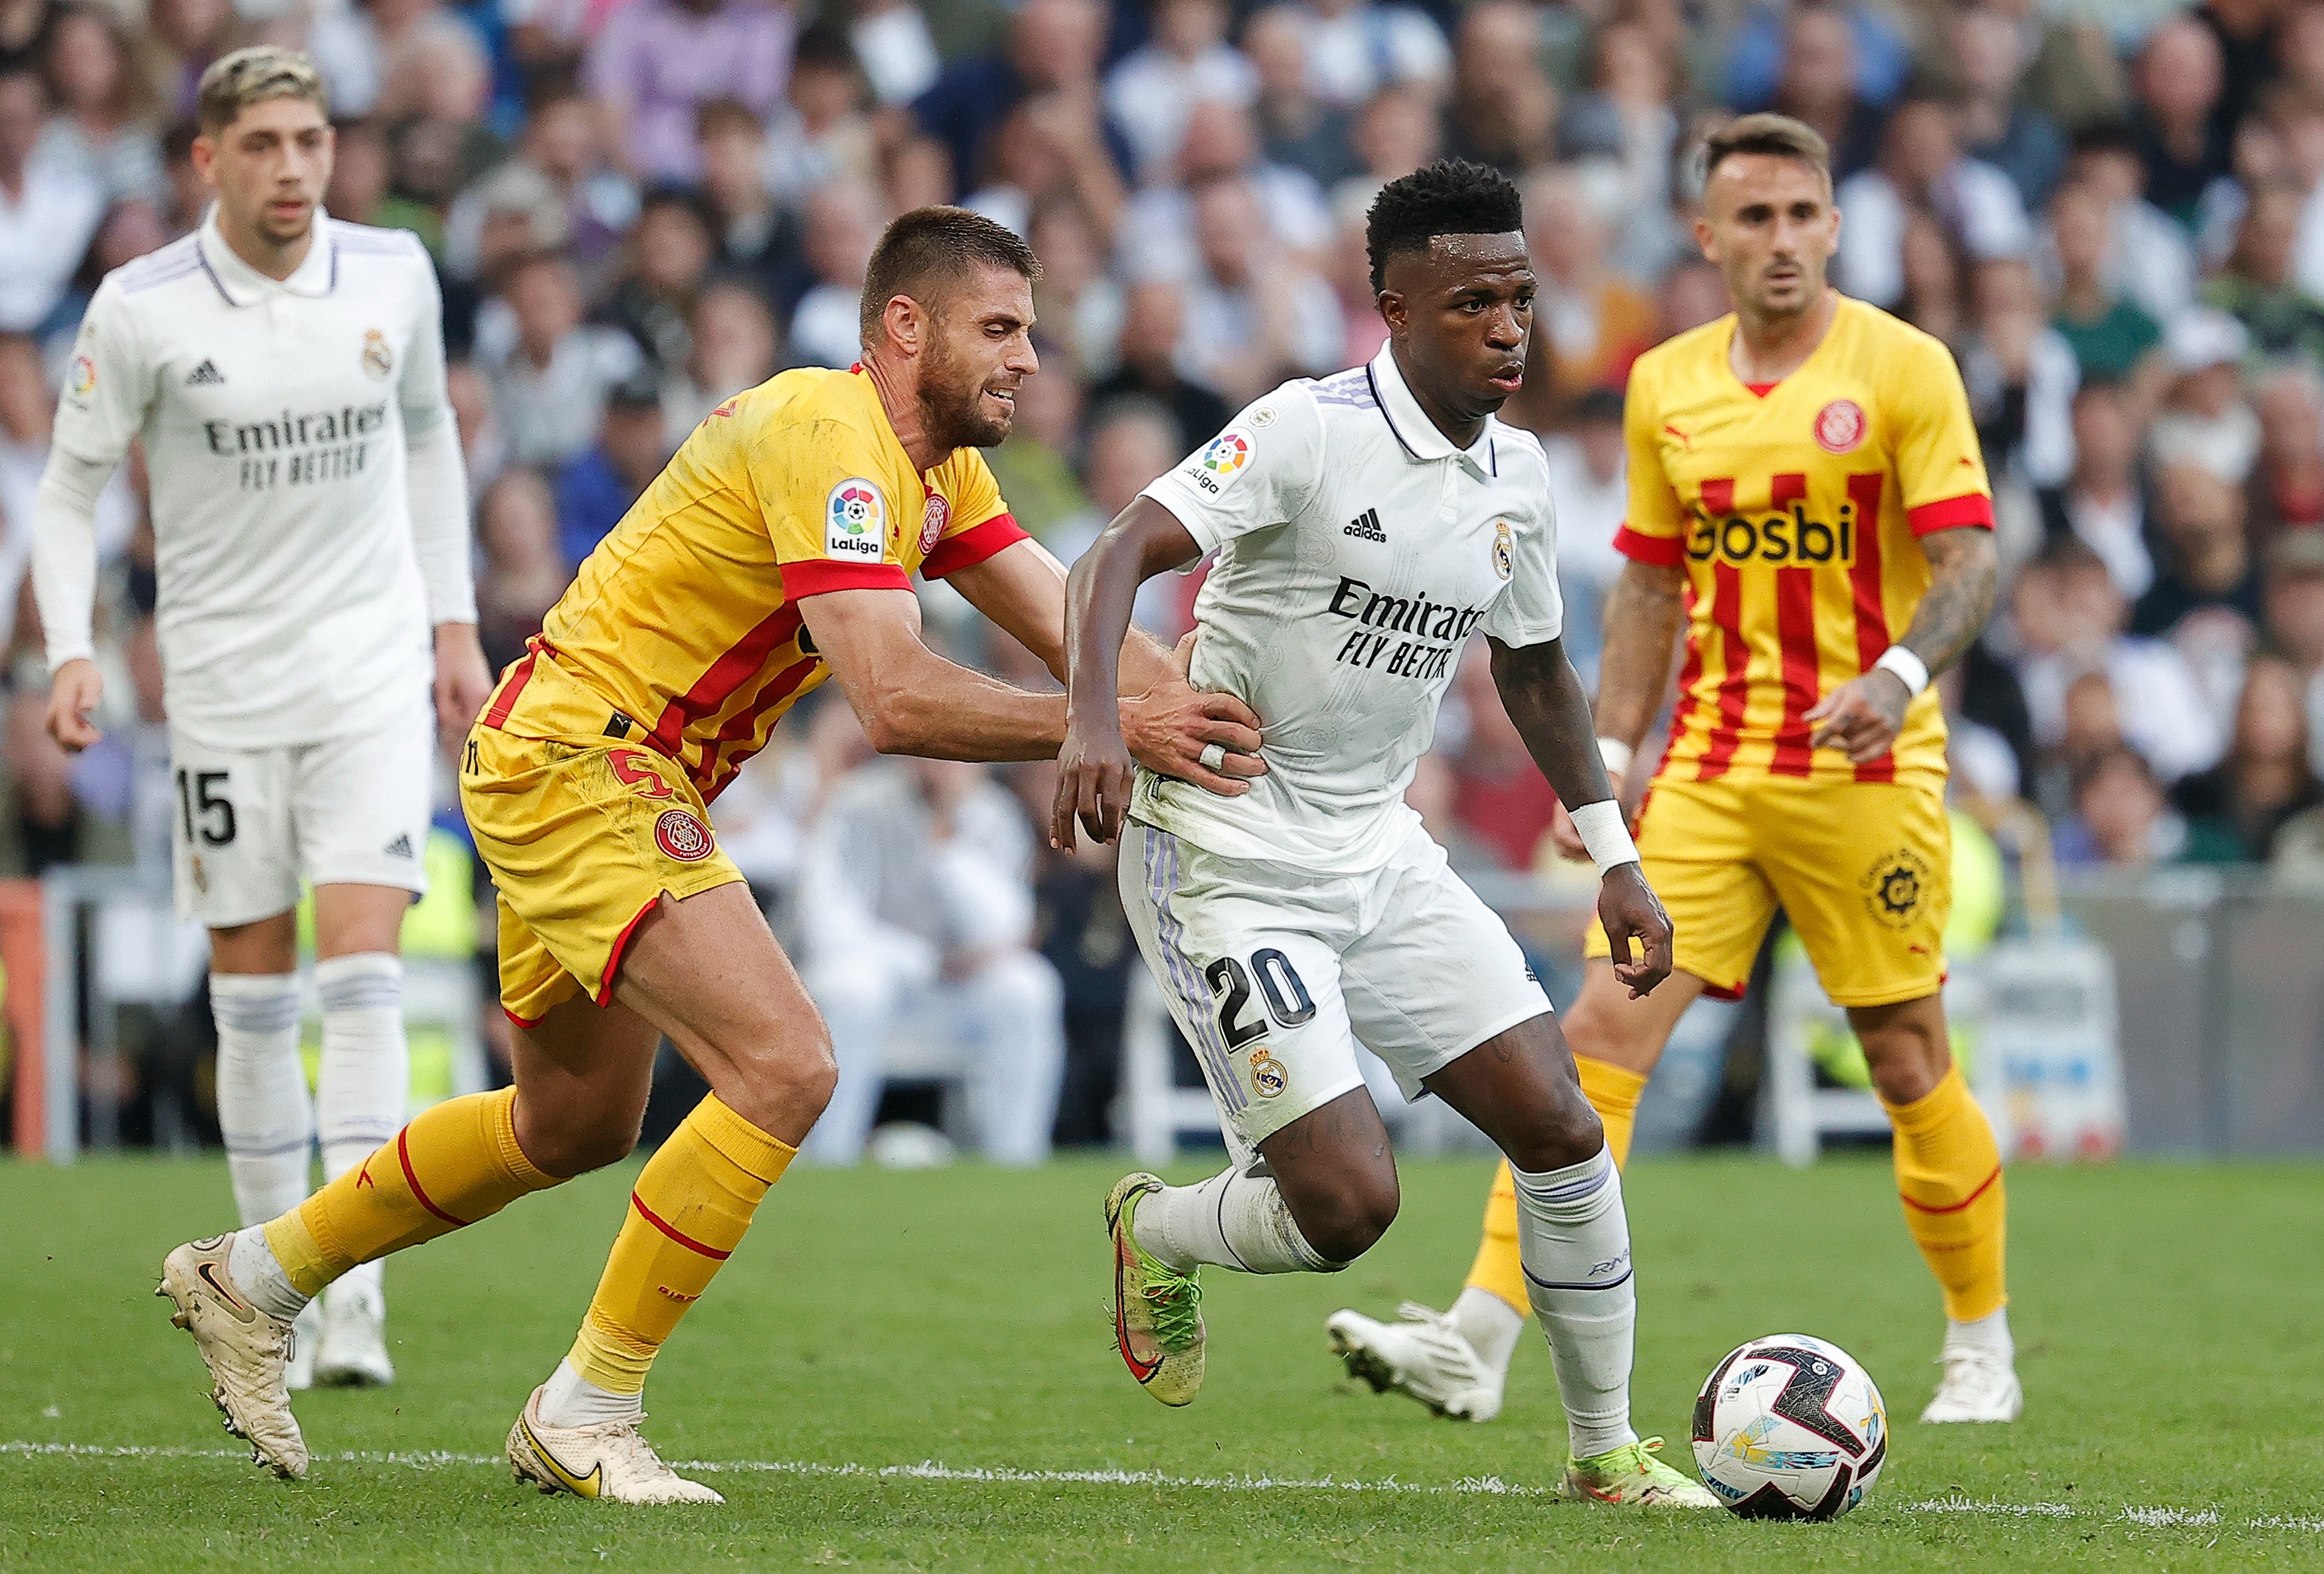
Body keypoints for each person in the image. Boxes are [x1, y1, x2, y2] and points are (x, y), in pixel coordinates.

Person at [155, 203, 1262, 1502]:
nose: (1029, 357)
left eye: (1031, 330)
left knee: (569, 1122)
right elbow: (895, 698)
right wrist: (1121, 726)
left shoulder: (932, 471)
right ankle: (588, 1407)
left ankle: (252, 1278)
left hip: (577, 760)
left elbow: (1074, 621)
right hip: (588, 766)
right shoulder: (829, 437)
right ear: (904, 326)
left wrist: (1222, 710)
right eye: (999, 328)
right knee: (786, 1063)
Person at [1328, 115, 2022, 1429]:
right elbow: (1647, 590)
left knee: (1903, 1054)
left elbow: (1969, 559)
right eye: (1750, 219)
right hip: (1706, 770)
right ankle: (1476, 1336)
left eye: (1801, 215)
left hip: (1859, 765)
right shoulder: (1666, 384)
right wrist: (1608, 772)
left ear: (1832, 225)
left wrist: (1898, 678)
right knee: (1593, 1039)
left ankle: (1978, 1340)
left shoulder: (1904, 368)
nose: (1779, 241)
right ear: (1705, 238)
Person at [1054, 159, 1716, 1510]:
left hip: (1380, 852)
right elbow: (1114, 548)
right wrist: (1095, 723)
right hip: (1228, 856)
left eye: (1522, 299)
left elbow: (1534, 674)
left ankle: (1602, 1454)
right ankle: (1157, 1225)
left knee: (1561, 1124)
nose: (1510, 328)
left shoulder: (1518, 478)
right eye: (1475, 301)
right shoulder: (1303, 430)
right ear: (1394, 310)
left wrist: (1616, 852)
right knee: (1348, 1210)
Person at [32, 46, 487, 1385]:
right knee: (252, 992)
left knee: (362, 973)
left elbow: (429, 444)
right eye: (266, 145)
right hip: (224, 686)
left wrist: (452, 627)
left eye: (313, 140)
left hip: (366, 671)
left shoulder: (394, 274)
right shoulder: (143, 306)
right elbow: (67, 493)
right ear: (208, 160)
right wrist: (75, 650)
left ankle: (355, 1302)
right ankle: (261, 1293)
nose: (294, 168)